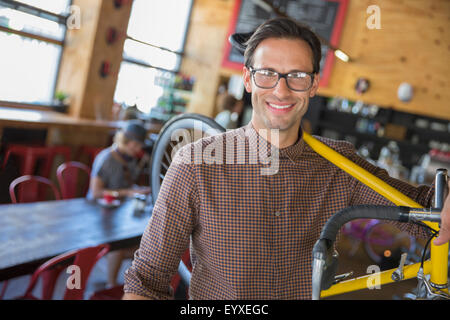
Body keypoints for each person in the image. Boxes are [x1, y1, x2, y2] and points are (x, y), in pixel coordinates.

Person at [122, 18, 450, 299]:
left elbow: (423, 211)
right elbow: (147, 280)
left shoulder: (340, 163)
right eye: (267, 73)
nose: (281, 90)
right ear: (248, 79)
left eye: (297, 76)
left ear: (313, 86)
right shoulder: (195, 164)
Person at [88, 120, 151, 287]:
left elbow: (125, 186)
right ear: (127, 142)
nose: (139, 150)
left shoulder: (129, 159)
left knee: (144, 240)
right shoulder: (106, 158)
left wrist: (136, 189)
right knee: (120, 242)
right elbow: (96, 193)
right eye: (136, 145)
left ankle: (126, 283)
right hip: (97, 212)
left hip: (118, 211)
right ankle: (111, 284)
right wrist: (129, 192)